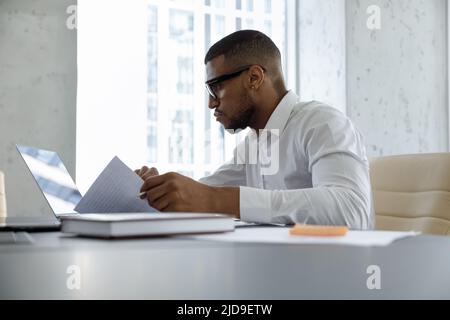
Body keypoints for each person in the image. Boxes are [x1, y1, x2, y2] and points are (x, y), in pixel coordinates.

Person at [136, 30, 373, 229]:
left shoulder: (323, 124)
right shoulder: (253, 145)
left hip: (330, 277)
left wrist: (219, 200)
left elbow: (352, 210)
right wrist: (158, 191)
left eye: (216, 88)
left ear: (254, 77)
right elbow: (202, 193)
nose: (211, 103)